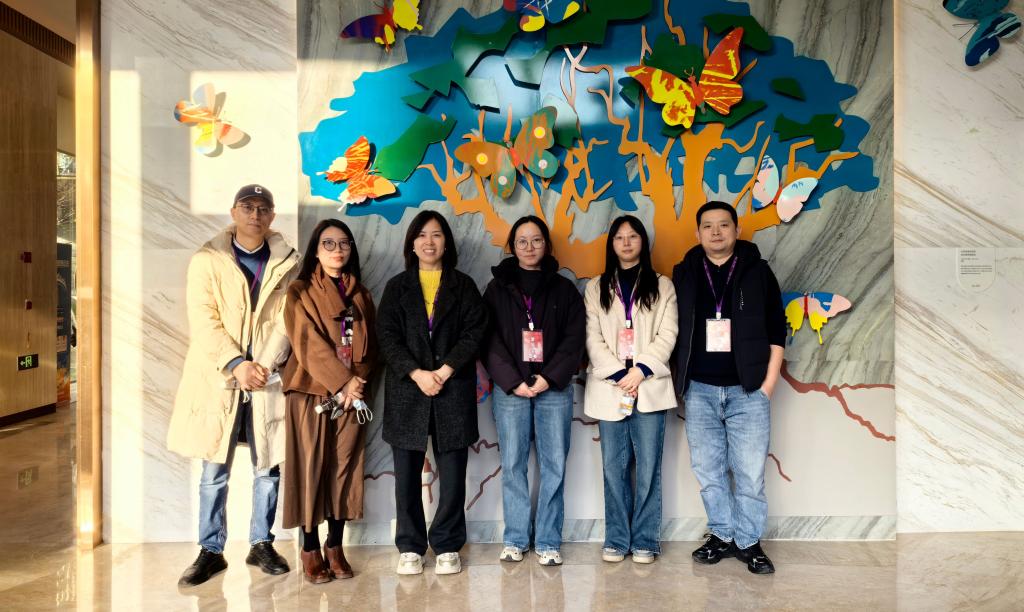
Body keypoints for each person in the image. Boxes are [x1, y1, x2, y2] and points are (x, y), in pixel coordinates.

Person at [168, 184, 300, 587]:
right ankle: (210, 550)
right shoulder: (207, 259)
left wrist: (261, 365)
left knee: (268, 467)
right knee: (214, 468)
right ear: (234, 212)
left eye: (263, 208)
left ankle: (261, 543)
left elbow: (288, 319)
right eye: (247, 207)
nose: (255, 215)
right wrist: (236, 364)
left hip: (265, 378)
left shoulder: (289, 262)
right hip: (219, 377)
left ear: (272, 216)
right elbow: (203, 319)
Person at [671, 200, 787, 575]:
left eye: (724, 225)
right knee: (709, 471)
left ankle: (749, 542)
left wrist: (768, 384)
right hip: (700, 389)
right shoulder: (684, 273)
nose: (716, 232)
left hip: (748, 390)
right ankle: (721, 534)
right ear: (697, 233)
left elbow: (777, 328)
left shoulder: (758, 271)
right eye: (708, 226)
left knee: (750, 473)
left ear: (737, 230)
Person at [376, 210, 487, 576]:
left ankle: (448, 544)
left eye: (436, 234)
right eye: (422, 235)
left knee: (453, 476)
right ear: (412, 243)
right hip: (407, 392)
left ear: (446, 243)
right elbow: (386, 337)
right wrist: (417, 373)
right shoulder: (396, 287)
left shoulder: (464, 285)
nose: (429, 241)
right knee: (406, 477)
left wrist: (444, 370)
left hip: (452, 389)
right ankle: (410, 546)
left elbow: (475, 332)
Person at [482, 216, 586, 566]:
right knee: (513, 464)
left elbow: (574, 339)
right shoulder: (496, 289)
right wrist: (513, 381)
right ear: (512, 246)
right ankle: (515, 539)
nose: (529, 247)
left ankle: (548, 540)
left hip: (553, 389)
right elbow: (488, 340)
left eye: (536, 240)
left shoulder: (564, 288)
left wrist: (549, 378)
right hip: (510, 390)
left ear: (547, 245)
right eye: (522, 241)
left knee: (554, 464)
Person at [280, 219, 378, 583]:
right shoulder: (299, 291)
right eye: (329, 243)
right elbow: (306, 342)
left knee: (344, 469)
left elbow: (372, 346)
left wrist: (356, 385)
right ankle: (309, 547)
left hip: (353, 398)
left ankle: (335, 545)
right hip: (311, 393)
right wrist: (342, 382)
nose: (337, 250)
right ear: (316, 251)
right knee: (311, 468)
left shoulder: (362, 294)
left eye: (344, 243)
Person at [583, 215, 678, 565]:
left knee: (649, 468)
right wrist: (620, 375)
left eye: (633, 236)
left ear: (642, 242)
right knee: (614, 469)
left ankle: (646, 541)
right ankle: (617, 539)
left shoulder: (662, 285)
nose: (626, 242)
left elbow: (668, 334)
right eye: (619, 237)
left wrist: (640, 371)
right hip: (611, 387)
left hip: (649, 386)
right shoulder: (596, 287)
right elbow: (592, 338)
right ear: (611, 244)